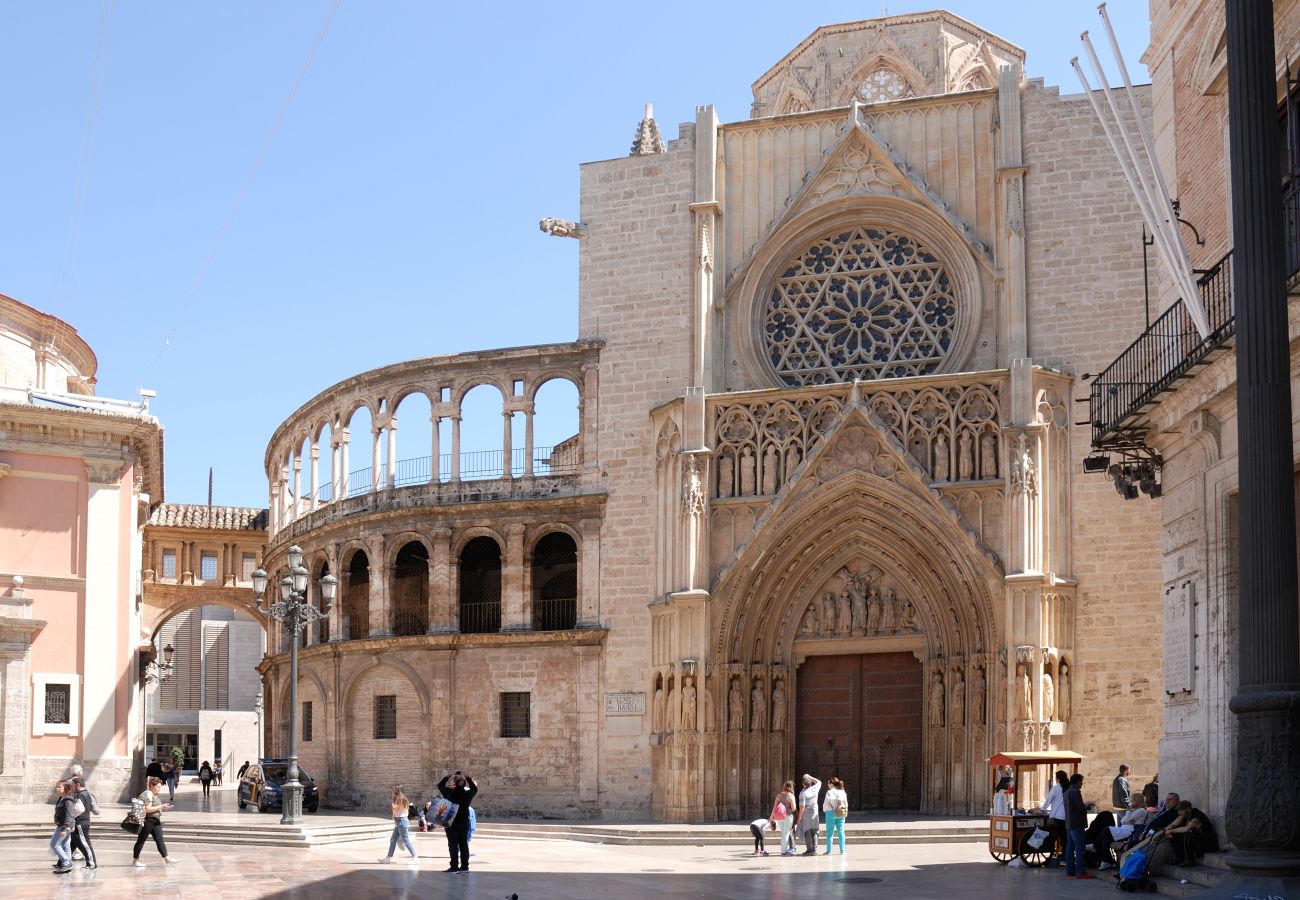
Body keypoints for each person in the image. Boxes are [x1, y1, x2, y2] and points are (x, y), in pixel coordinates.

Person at [133, 775, 179, 868]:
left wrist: (163, 807)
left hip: (155, 821)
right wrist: (161, 806)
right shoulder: (148, 794)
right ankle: (135, 860)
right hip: (148, 821)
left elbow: (155, 808)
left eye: (160, 787)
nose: (159, 789)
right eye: (158, 787)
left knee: (159, 840)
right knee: (141, 840)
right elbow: (148, 809)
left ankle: (167, 859)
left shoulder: (154, 795)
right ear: (152, 786)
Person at [437, 770, 478, 872]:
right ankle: (465, 866)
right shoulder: (468, 794)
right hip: (464, 822)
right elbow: (474, 788)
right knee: (463, 844)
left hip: (451, 823)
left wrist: (448, 776)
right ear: (464, 783)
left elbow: (440, 785)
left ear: (454, 782)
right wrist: (467, 777)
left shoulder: (449, 792)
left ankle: (454, 866)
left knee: (453, 845)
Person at [1064, 772, 1094, 879]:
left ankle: (1070, 870)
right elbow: (1080, 807)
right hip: (1076, 823)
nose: (1082, 783)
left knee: (1070, 847)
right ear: (1077, 782)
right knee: (1079, 848)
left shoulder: (1067, 791)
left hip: (1069, 822)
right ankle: (1080, 871)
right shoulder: (1074, 792)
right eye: (1081, 781)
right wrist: (1088, 805)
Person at [379, 785, 419, 864]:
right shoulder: (397, 799)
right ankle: (388, 858)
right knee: (393, 840)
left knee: (406, 840)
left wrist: (393, 804)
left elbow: (395, 808)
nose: (391, 792)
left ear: (397, 791)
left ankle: (415, 857)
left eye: (393, 790)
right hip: (398, 821)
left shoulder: (402, 799)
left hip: (402, 821)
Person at [1037, 769, 1068, 866]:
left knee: (1059, 836)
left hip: (1058, 816)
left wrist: (1042, 809)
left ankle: (1064, 856)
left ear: (1057, 779)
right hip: (1067, 816)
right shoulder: (1068, 787)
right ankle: (1064, 855)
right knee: (1065, 837)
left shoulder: (1056, 788)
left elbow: (1048, 800)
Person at [69, 776, 99, 869]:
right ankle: (62, 861)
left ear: (78, 785)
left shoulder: (81, 795)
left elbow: (79, 809)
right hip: (83, 822)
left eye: (72, 785)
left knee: (85, 844)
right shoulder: (87, 794)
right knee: (72, 844)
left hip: (81, 822)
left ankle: (91, 863)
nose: (71, 787)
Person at [49, 780, 76, 874]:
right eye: (57, 787)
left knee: (54, 844)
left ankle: (66, 862)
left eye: (59, 787)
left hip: (64, 825)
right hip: (64, 825)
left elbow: (69, 815)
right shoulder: (62, 798)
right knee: (65, 846)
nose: (57, 789)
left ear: (66, 788)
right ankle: (67, 865)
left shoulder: (68, 800)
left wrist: (65, 828)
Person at [795, 773, 822, 856]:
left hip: (806, 814)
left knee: (807, 831)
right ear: (811, 782)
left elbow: (802, 807)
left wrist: (799, 818)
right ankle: (815, 849)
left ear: (803, 783)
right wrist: (810, 777)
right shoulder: (815, 788)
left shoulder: (803, 793)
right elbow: (819, 781)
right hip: (814, 812)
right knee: (814, 831)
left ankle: (809, 849)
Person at [822, 775, 848, 855]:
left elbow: (826, 803)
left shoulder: (829, 792)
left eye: (828, 783)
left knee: (830, 833)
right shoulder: (842, 791)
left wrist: (824, 810)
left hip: (831, 813)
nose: (827, 785)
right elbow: (846, 803)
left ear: (831, 784)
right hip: (841, 813)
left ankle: (829, 851)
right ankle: (842, 851)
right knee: (841, 832)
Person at [771, 781, 797, 855]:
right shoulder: (790, 796)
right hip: (788, 816)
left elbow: (775, 806)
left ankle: (784, 849)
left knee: (783, 833)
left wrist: (772, 816)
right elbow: (794, 808)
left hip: (779, 817)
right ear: (791, 787)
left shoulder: (779, 795)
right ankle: (783, 851)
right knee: (786, 834)